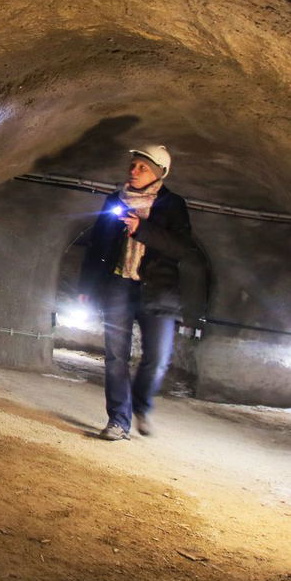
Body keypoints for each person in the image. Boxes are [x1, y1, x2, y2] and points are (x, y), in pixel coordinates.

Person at [76, 145, 196, 441]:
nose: (134, 171)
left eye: (142, 167)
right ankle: (118, 420)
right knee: (116, 356)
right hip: (118, 285)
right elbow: (97, 247)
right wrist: (86, 286)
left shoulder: (173, 205)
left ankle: (140, 404)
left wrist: (141, 228)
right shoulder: (113, 201)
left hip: (158, 290)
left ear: (159, 173)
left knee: (157, 358)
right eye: (133, 165)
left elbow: (180, 248)